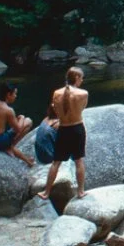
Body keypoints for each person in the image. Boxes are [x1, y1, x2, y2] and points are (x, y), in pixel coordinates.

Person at [38, 67, 88, 200]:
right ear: (77, 78)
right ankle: (81, 191)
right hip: (77, 129)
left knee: (56, 162)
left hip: (63, 129)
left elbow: (58, 111)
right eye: (81, 78)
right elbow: (82, 109)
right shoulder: (83, 94)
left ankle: (46, 192)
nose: (82, 81)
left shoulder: (56, 93)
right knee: (78, 161)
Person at [0, 83, 35, 165]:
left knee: (8, 132)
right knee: (28, 121)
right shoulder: (8, 110)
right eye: (15, 93)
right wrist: (22, 118)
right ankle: (10, 147)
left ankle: (22, 157)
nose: (16, 96)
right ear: (8, 94)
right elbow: (18, 129)